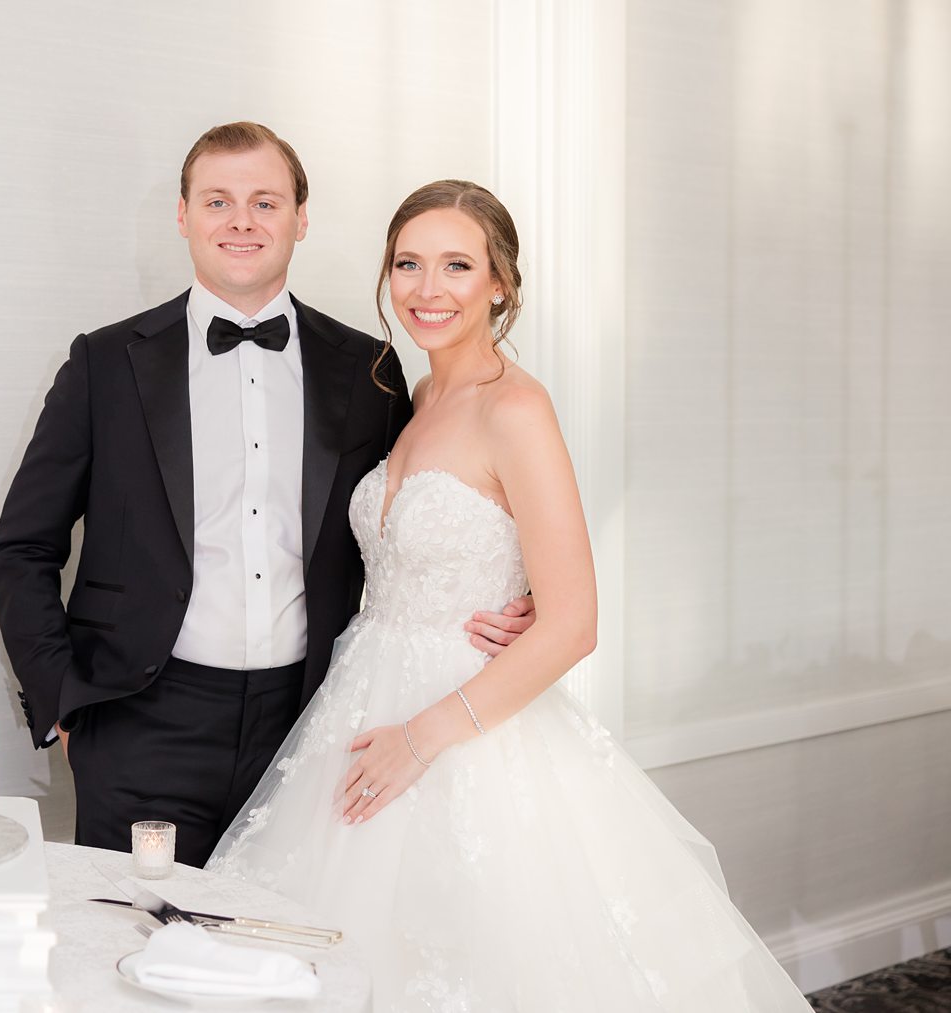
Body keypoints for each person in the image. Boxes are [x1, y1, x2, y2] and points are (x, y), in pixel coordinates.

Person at [208, 180, 813, 1011]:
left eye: (458, 264)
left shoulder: (518, 408)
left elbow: (573, 624)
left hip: (462, 728)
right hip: (359, 703)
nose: (428, 289)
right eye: (408, 264)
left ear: (500, 283)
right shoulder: (415, 399)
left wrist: (420, 740)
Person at [0, 125, 536, 867]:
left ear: (300, 218)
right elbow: (24, 546)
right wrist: (63, 702)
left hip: (312, 729)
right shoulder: (104, 365)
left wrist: (516, 595)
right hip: (142, 732)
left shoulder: (369, 372)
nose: (242, 221)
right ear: (183, 215)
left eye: (265, 202)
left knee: (285, 960)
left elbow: (422, 512)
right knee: (143, 950)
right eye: (218, 200)